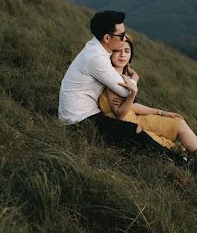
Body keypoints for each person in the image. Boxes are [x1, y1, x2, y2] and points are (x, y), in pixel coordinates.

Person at [58, 10, 187, 160]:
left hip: (79, 113)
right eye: (121, 35)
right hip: (78, 121)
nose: (125, 38)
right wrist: (135, 79)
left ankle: (176, 152)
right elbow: (126, 92)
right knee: (133, 131)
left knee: (131, 127)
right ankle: (180, 162)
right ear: (107, 38)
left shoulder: (95, 47)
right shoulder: (97, 59)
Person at [99, 36, 197, 167]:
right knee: (169, 146)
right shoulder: (111, 77)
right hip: (126, 126)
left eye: (127, 51)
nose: (123, 55)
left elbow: (132, 106)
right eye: (118, 50)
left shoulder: (124, 75)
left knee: (178, 122)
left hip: (135, 118)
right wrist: (133, 92)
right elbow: (120, 114)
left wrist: (161, 112)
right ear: (110, 52)